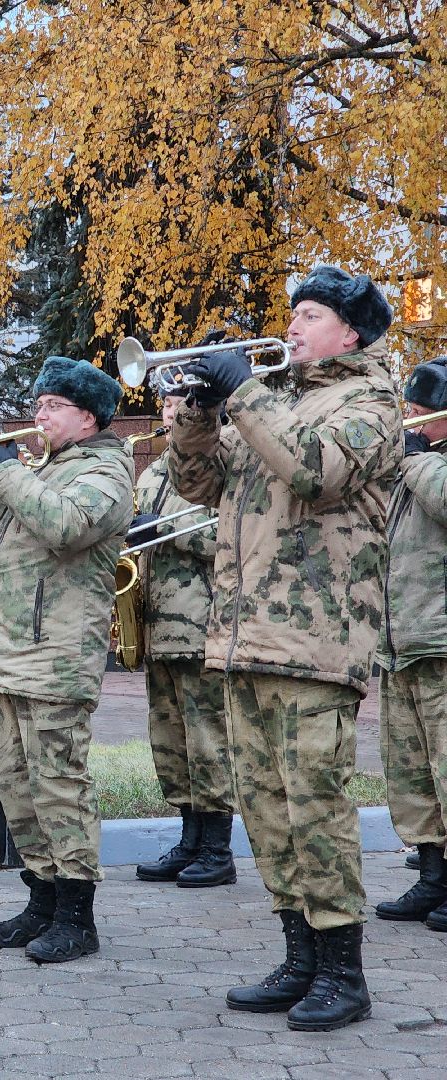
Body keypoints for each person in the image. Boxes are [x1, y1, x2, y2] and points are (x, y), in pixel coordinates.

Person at [169, 265, 400, 1031]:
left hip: (316, 641)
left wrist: (243, 390)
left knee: (315, 810)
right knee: (267, 811)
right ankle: (300, 958)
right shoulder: (279, 400)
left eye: (310, 315)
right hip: (245, 636)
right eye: (292, 313)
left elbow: (314, 471)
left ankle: (343, 972)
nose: (292, 327)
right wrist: (198, 412)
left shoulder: (371, 402)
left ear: (351, 334)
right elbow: (199, 484)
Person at [0, 356, 133, 963]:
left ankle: (77, 916)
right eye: (38, 404)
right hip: (8, 656)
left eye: (54, 406)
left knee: (60, 786)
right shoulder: (40, 470)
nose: (39, 415)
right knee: (18, 787)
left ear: (88, 418)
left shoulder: (106, 471)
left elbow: (66, 526)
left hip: (56, 659)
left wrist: (7, 470)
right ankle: (41, 899)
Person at [129, 385, 236, 888]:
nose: (168, 411)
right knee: (171, 743)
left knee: (209, 740)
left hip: (204, 626)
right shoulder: (154, 470)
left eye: (179, 403)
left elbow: (229, 536)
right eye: (167, 403)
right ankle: (189, 839)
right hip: (159, 629)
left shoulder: (225, 459)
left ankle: (217, 849)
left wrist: (166, 531)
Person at [374, 356, 447, 929]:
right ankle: (432, 876)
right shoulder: (414, 464)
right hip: (401, 642)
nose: (412, 421)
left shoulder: (423, 465)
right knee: (412, 774)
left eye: (423, 413)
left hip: (441, 643)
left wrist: (415, 459)